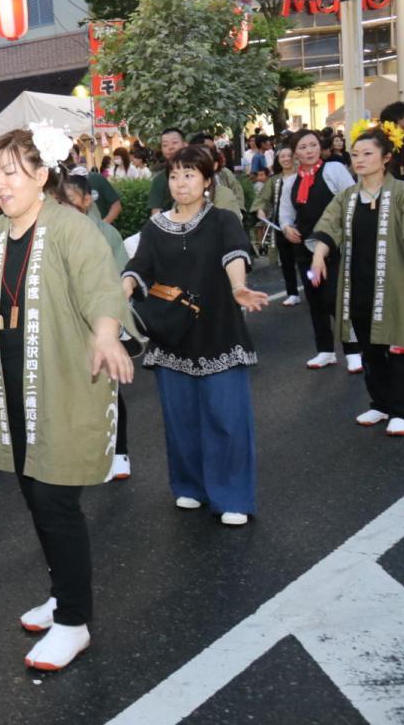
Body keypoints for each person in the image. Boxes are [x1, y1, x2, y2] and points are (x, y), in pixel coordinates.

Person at [0, 127, 135, 672]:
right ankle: (62, 595)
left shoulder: (73, 229)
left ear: (41, 175)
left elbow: (103, 289)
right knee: (36, 497)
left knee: (56, 503)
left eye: (10, 172)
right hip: (11, 387)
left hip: (64, 383)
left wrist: (105, 334)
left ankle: (74, 622)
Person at [123, 145, 268, 526]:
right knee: (181, 420)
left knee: (226, 419)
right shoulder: (154, 227)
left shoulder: (222, 220)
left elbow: (235, 253)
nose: (180, 182)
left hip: (219, 332)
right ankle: (190, 486)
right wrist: (120, 291)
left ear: (207, 180)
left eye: (189, 174)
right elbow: (138, 267)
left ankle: (233, 496)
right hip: (172, 336)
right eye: (174, 175)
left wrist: (238, 287)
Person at [308, 126, 404, 437]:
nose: (359, 160)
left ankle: (401, 410)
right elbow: (328, 226)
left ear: (386, 157)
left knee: (398, 348)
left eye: (368, 154)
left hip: (395, 286)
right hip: (357, 284)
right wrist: (318, 255)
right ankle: (379, 403)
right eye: (355, 154)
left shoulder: (401, 193)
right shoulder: (347, 197)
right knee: (368, 346)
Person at [54, 174, 132, 482]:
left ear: (88, 201)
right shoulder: (51, 235)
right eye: (60, 202)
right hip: (64, 323)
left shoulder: (105, 233)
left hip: (99, 323)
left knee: (108, 390)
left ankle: (120, 451)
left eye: (72, 201)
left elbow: (121, 277)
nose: (66, 208)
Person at [279, 128, 361, 371]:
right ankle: (325, 350)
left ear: (320, 146)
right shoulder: (291, 182)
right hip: (305, 249)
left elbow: (351, 199)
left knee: (335, 297)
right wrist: (286, 228)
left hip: (335, 248)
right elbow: (285, 213)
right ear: (295, 153)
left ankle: (353, 350)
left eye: (312, 145)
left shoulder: (333, 169)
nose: (309, 151)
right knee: (315, 300)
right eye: (303, 147)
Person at [255, 145, 302, 306]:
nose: (286, 159)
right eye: (282, 156)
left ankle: (313, 289)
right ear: (278, 159)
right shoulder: (275, 180)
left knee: (304, 261)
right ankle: (292, 293)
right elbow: (264, 198)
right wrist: (261, 209)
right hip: (280, 225)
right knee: (287, 260)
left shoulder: (303, 176)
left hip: (302, 224)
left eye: (289, 156)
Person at [148, 127, 187, 215]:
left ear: (185, 145)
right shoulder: (159, 180)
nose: (170, 147)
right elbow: (156, 214)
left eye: (175, 142)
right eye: (165, 145)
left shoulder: (199, 173)